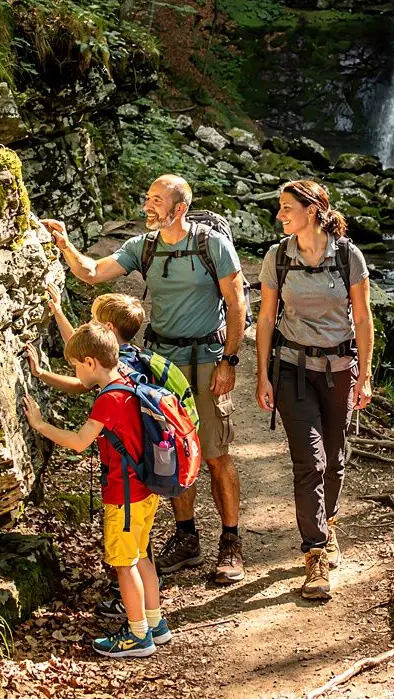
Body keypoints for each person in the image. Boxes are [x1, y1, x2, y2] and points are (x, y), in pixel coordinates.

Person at [43, 175, 246, 585]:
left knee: (214, 452)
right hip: (161, 365)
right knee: (169, 445)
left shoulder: (212, 245)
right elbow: (92, 273)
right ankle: (187, 537)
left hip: (207, 359)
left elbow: (237, 300)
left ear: (180, 208)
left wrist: (230, 360)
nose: (148, 206)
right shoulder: (144, 246)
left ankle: (231, 542)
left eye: (157, 200)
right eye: (148, 198)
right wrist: (65, 244)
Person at [255, 179, 374, 602]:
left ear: (313, 210)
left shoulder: (347, 256)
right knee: (310, 460)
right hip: (292, 369)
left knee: (335, 457)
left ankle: (331, 522)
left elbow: (362, 318)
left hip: (340, 369)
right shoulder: (277, 257)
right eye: (280, 208)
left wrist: (365, 375)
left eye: (287, 207)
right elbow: (266, 319)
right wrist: (262, 375)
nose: (280, 215)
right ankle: (315, 552)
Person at [23, 322, 171, 658]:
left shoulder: (108, 401)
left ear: (90, 363)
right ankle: (155, 623)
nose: (76, 372)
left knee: (124, 563)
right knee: (141, 555)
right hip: (145, 491)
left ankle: (137, 636)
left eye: (77, 364)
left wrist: (40, 425)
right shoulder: (127, 381)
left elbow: (78, 442)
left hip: (124, 497)